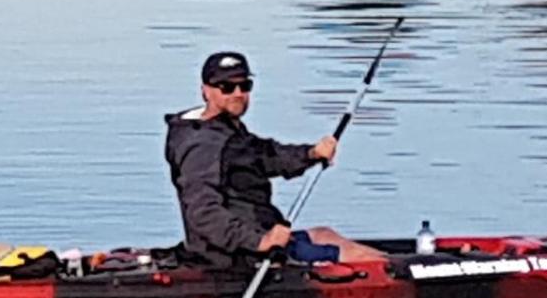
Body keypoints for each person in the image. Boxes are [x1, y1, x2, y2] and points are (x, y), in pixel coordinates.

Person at [165, 50, 387, 269]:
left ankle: (410, 267)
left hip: (259, 236)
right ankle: (407, 276)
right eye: (227, 87)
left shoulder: (225, 130)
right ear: (205, 91)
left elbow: (266, 155)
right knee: (359, 258)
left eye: (245, 86)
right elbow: (203, 214)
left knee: (324, 234)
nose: (238, 93)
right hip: (236, 256)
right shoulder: (202, 146)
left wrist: (311, 153)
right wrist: (260, 242)